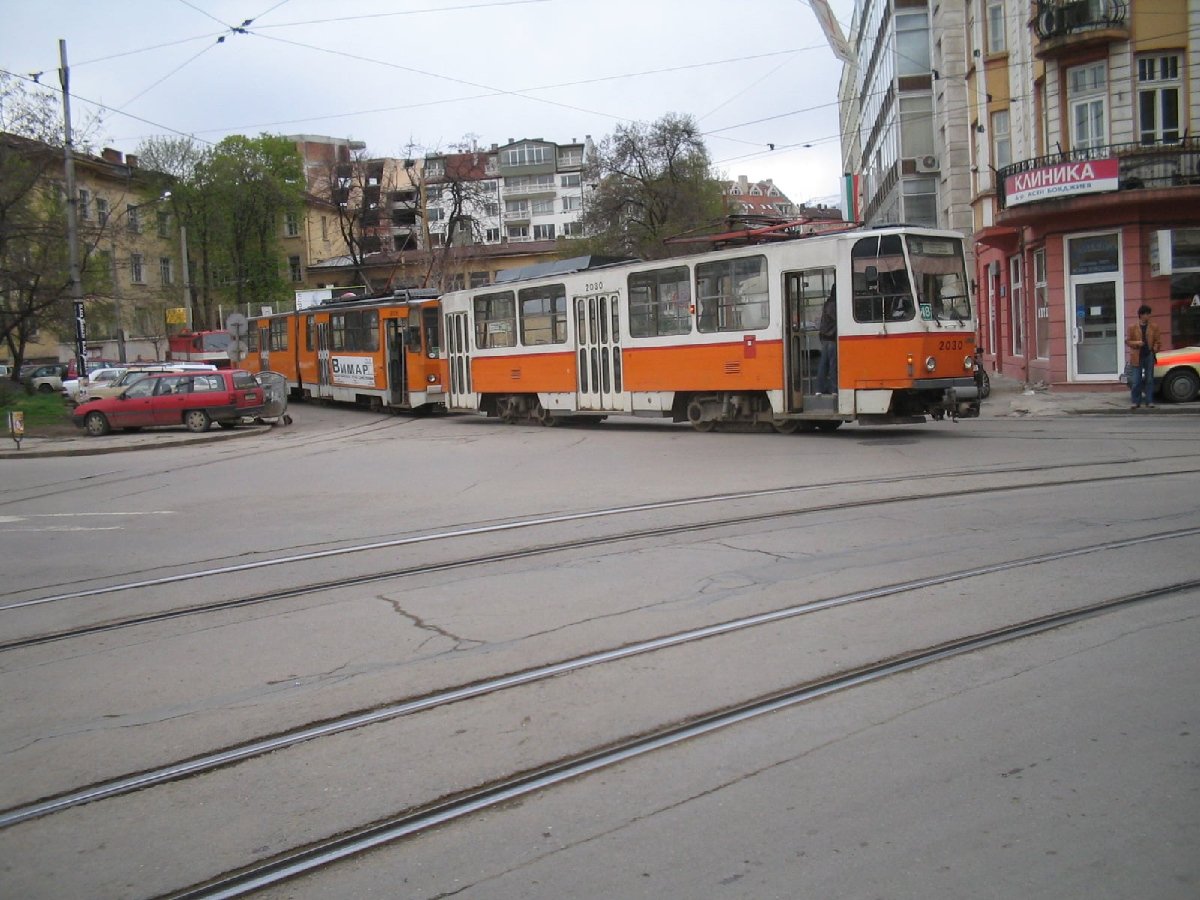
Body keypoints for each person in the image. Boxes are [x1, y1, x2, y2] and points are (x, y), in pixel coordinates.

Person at [1125, 304, 1162, 409]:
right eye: (1147, 314)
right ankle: (1136, 401)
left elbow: (1158, 341)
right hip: (1137, 356)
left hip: (1148, 355)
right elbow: (1128, 341)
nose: (1149, 316)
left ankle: (1150, 401)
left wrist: (1153, 350)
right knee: (1136, 380)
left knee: (1149, 379)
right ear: (1141, 315)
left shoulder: (1154, 327)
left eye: (1149, 314)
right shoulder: (1132, 327)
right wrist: (1137, 343)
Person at [816, 285, 837, 394]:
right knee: (833, 365)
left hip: (825, 337)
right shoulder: (833, 305)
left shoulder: (827, 304)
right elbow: (837, 319)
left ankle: (819, 389)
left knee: (823, 364)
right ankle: (834, 389)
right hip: (831, 338)